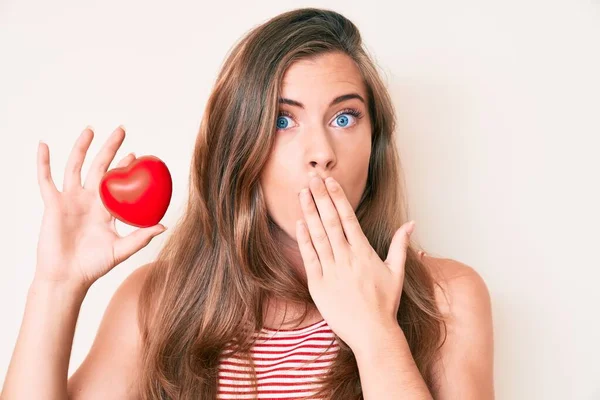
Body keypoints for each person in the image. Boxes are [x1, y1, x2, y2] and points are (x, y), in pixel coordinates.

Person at [1, 7, 494, 400]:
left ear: (375, 144)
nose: (322, 153)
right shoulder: (156, 302)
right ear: (240, 147)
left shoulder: (445, 298)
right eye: (283, 120)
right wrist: (56, 286)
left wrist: (375, 334)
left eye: (345, 118)